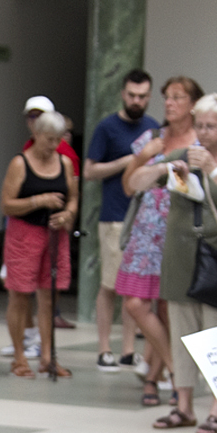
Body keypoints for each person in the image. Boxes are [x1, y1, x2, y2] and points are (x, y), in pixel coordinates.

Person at [147, 92, 217, 433]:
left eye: (212, 126)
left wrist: (213, 170)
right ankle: (182, 405)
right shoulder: (183, 155)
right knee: (182, 333)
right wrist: (164, 168)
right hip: (181, 255)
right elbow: (136, 182)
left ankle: (216, 411)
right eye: (199, 126)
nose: (204, 133)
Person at [117, 76, 203, 411]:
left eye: (178, 97)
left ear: (193, 104)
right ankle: (173, 366)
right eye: (167, 97)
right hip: (146, 229)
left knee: (168, 308)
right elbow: (128, 187)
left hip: (179, 229)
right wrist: (143, 159)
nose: (169, 103)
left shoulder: (199, 142)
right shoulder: (152, 137)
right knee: (136, 303)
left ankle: (154, 379)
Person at [86, 71, 160, 373]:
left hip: (146, 220)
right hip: (115, 216)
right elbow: (90, 171)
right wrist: (129, 162)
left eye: (142, 96)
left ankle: (129, 349)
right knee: (109, 285)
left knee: (136, 289)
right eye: (131, 95)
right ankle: (105, 348)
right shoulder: (107, 127)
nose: (136, 101)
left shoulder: (155, 128)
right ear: (122, 93)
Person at [0, 110, 79, 380]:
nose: (53, 145)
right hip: (24, 234)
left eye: (58, 140)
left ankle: (48, 356)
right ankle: (19, 357)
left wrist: (68, 214)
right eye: (48, 139)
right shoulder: (20, 163)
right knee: (20, 294)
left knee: (50, 294)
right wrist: (39, 201)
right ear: (36, 135)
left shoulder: (65, 163)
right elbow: (6, 204)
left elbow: (73, 198)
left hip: (55, 235)